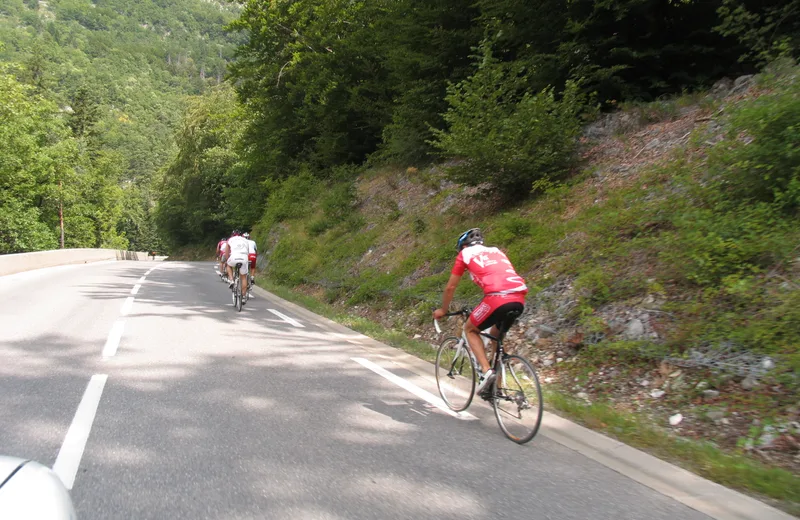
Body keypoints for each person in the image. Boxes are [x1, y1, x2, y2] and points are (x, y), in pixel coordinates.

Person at [433, 228, 527, 393]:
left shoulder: (465, 254)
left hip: (497, 297)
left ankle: (486, 371)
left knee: (470, 329)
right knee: (495, 337)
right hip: (518, 298)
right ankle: (496, 389)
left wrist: (443, 309)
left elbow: (450, 287)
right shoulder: (496, 251)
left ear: (463, 246)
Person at [226, 230, 250, 300]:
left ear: (232, 235)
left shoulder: (230, 239)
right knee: (243, 277)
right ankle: (243, 297)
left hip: (234, 256)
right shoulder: (245, 240)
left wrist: (228, 259)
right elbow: (247, 252)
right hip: (244, 257)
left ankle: (231, 280)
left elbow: (226, 251)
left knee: (228, 265)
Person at [243, 232, 257, 298]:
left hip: (246, 256)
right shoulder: (253, 242)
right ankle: (252, 277)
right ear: (249, 237)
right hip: (253, 255)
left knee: (244, 268)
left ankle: (244, 278)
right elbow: (256, 250)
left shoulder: (242, 242)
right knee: (253, 267)